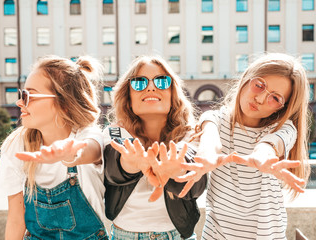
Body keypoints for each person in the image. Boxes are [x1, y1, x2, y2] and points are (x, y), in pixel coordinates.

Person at [175, 53, 310, 239]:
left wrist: (261, 155)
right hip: (216, 235)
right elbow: (210, 140)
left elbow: (271, 144)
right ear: (246, 79)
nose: (261, 99)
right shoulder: (215, 118)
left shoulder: (284, 128)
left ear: (283, 107)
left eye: (275, 98)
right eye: (259, 85)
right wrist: (206, 157)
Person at [0, 55, 109, 239]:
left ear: (63, 103)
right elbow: (16, 220)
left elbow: (91, 150)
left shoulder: (87, 135)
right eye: (21, 94)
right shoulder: (16, 145)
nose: (19, 102)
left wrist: (70, 154)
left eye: (28, 96)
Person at [102, 55, 207, 239]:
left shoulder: (191, 134)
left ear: (173, 92)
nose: (151, 87)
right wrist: (131, 163)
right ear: (128, 96)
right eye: (139, 82)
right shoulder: (115, 132)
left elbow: (197, 186)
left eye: (161, 81)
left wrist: (177, 170)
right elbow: (112, 169)